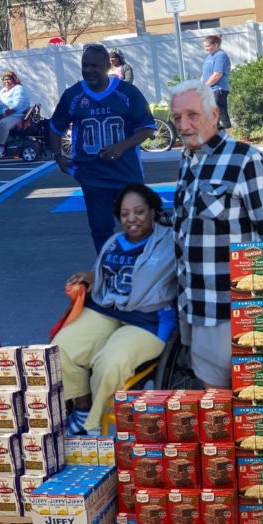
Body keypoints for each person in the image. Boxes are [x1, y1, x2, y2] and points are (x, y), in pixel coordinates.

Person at [169, 79, 263, 390]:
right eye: (177, 117)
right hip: (195, 305)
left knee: (249, 404)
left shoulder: (246, 159)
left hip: (233, 307)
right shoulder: (187, 159)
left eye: (192, 114)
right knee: (215, 405)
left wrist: (260, 311)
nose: (184, 125)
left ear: (214, 114)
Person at [55, 183, 178, 435]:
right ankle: (82, 408)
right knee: (60, 349)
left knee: (109, 362)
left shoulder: (171, 242)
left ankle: (90, 427)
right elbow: (108, 275)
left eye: (139, 211)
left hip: (148, 320)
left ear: (153, 211)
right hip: (107, 310)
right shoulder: (114, 242)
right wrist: (92, 275)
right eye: (125, 214)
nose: (131, 219)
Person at [49, 44, 158, 253]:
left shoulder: (127, 92)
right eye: (85, 65)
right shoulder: (73, 95)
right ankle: (108, 270)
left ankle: (141, 268)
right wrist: (58, 156)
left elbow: (147, 128)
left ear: (108, 66)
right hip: (92, 175)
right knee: (100, 228)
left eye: (94, 65)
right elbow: (55, 127)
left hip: (126, 173)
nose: (88, 70)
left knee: (138, 227)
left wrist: (121, 146)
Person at [0, 71, 32, 148]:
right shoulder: (2, 91)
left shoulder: (19, 89)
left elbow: (16, 106)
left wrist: (2, 115)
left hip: (16, 116)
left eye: (9, 79)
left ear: (14, 80)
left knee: (2, 124)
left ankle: (1, 147)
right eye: (5, 79)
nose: (6, 81)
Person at [201, 35, 232, 129]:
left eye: (208, 46)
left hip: (218, 89)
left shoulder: (221, 56)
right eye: (205, 46)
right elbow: (205, 73)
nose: (206, 49)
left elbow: (217, 74)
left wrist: (205, 86)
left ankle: (229, 139)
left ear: (215, 44)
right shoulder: (209, 56)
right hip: (210, 90)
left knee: (221, 113)